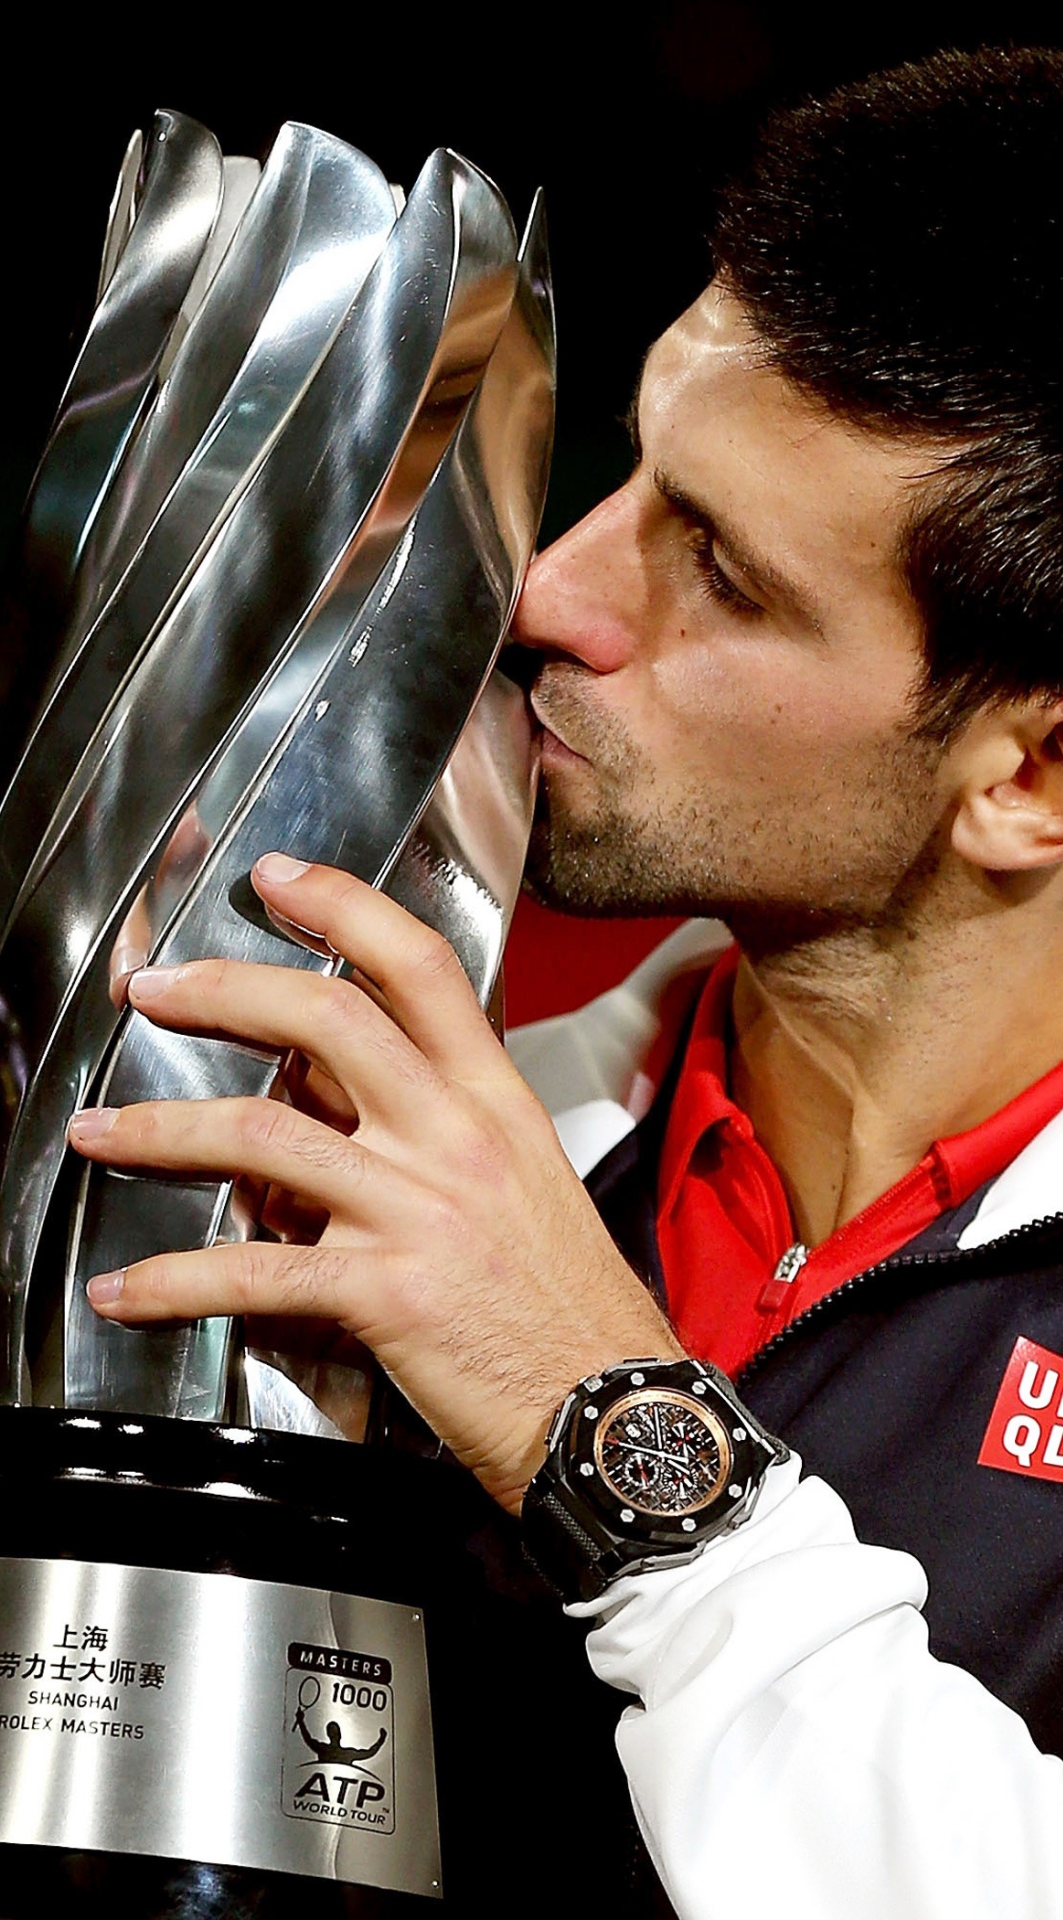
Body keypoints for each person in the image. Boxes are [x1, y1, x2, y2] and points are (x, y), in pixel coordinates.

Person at [65, 43, 1063, 1918]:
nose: (554, 597)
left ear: (1031, 775)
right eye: (629, 476)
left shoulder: (516, 1278)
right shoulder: (424, 1154)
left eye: (730, 579)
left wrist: (605, 1424)